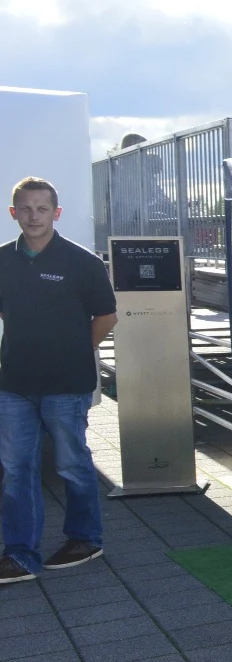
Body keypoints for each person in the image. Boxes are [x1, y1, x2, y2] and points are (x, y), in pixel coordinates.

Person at [0, 178, 117, 583]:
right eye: (26, 209)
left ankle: (85, 539)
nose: (34, 216)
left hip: (67, 384)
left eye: (42, 208)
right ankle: (19, 553)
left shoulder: (83, 262)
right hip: (14, 383)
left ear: (56, 213)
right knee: (17, 469)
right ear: (13, 213)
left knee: (71, 464)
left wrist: (74, 350)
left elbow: (106, 316)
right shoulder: (2, 260)